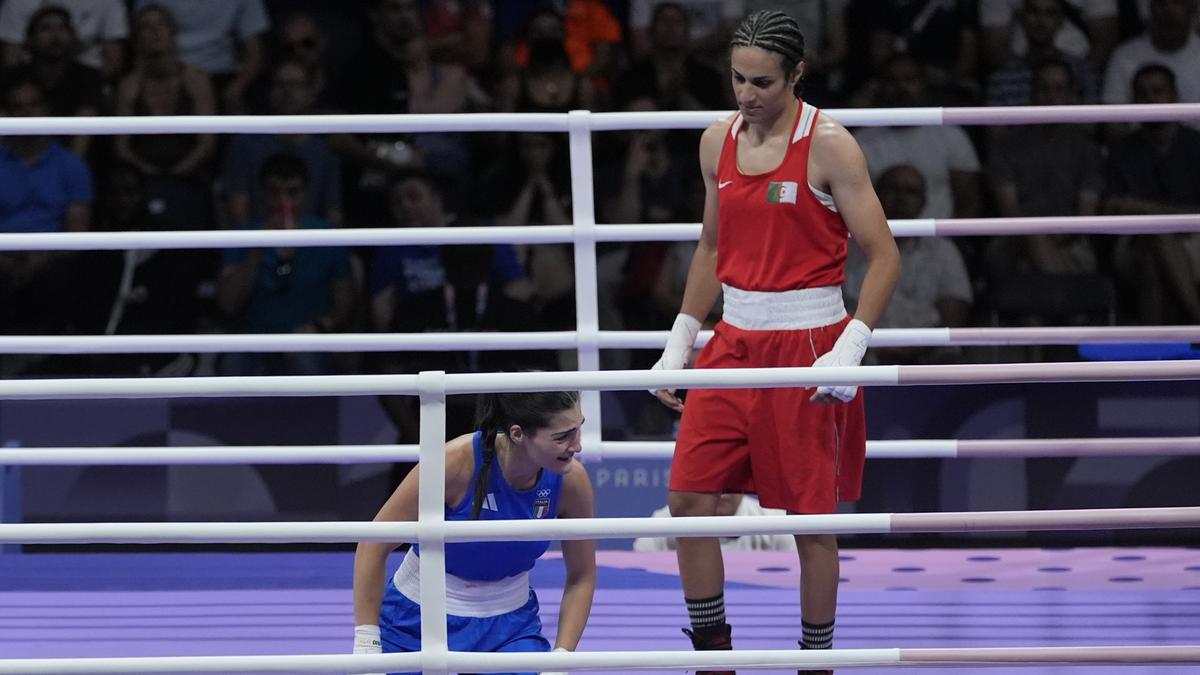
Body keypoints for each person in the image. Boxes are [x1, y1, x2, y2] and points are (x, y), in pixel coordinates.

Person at [650, 10, 900, 674]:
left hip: (808, 342)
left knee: (811, 522)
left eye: (761, 81)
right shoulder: (716, 141)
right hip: (731, 342)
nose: (746, 94)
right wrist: (681, 337)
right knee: (689, 500)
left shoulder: (832, 144)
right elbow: (712, 244)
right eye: (737, 79)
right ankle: (714, 657)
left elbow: (884, 257)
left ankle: (815, 662)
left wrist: (852, 344)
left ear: (796, 74)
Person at [353, 390, 596, 675]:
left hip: (510, 630)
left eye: (579, 428)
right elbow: (373, 543)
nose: (577, 446)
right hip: (416, 619)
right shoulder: (454, 463)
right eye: (562, 436)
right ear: (517, 434)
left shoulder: (571, 481)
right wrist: (366, 643)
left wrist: (561, 660)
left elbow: (582, 576)